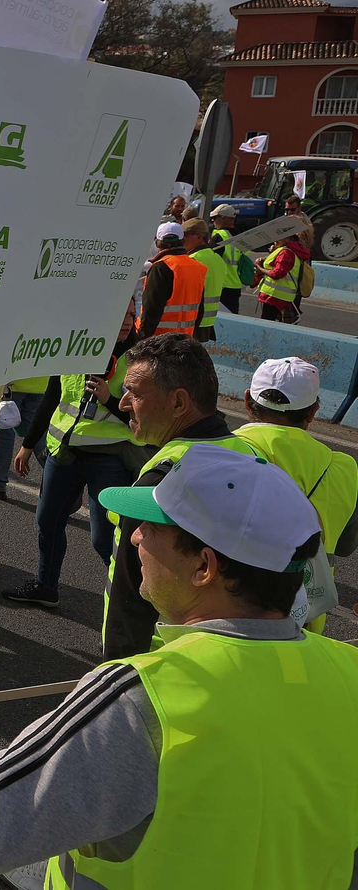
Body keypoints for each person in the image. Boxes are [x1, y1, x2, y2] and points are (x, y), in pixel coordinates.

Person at [0, 446, 358, 887]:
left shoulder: (146, 695)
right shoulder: (348, 670)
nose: (135, 535)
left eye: (153, 525)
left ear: (204, 566)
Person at [102, 333, 265, 660]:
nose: (122, 404)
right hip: (238, 649)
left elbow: (132, 593)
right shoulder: (247, 454)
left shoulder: (163, 480)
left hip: (166, 661)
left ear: (178, 402)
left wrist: (115, 671)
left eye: (133, 393)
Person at [3, 301, 143, 608]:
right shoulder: (73, 349)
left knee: (104, 538)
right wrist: (28, 444)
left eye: (131, 314)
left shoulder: (139, 359)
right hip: (64, 453)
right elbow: (52, 399)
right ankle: (45, 585)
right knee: (48, 520)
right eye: (120, 314)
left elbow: (143, 420)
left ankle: (137, 599)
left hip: (109, 457)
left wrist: (110, 399)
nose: (127, 320)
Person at [234, 357, 358, 631]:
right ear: (312, 413)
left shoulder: (220, 453)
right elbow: (346, 545)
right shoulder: (343, 467)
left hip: (231, 610)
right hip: (307, 616)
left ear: (246, 400)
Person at [138, 221, 205, 337]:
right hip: (185, 340)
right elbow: (200, 309)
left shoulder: (161, 268)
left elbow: (151, 311)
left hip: (160, 341)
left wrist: (141, 339)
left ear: (157, 243)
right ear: (182, 241)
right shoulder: (197, 267)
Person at [256, 226, 311, 324]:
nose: (275, 239)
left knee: (266, 324)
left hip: (275, 296)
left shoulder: (286, 252)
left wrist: (260, 269)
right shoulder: (288, 250)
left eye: (279, 237)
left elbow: (277, 273)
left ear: (288, 238)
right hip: (280, 296)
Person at [209, 204, 246, 313]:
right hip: (236, 285)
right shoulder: (241, 236)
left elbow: (210, 259)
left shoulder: (220, 237)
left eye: (214, 218)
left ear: (223, 218)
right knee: (232, 317)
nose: (213, 221)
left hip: (221, 285)